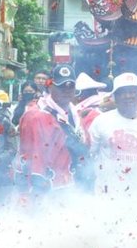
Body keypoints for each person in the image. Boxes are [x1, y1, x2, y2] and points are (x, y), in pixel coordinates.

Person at [87, 72, 137, 190]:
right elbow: (89, 154)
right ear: (115, 96)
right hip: (107, 195)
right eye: (123, 92)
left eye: (133, 92)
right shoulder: (101, 121)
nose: (128, 96)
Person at [16, 63, 86, 191]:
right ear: (50, 86)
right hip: (46, 189)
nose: (66, 90)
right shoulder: (35, 116)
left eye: (70, 86)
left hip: (70, 186)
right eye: (61, 86)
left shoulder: (75, 113)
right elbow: (32, 160)